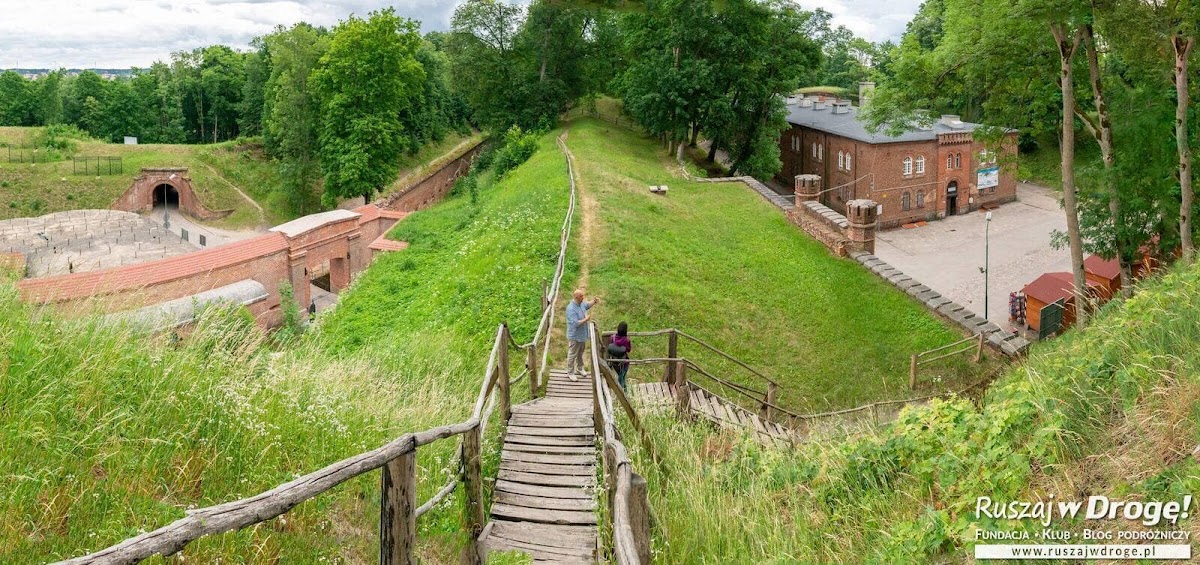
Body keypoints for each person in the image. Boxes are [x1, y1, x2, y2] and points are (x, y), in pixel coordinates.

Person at [565, 289, 600, 381]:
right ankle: (570, 372)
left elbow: (587, 305)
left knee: (580, 352)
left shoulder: (581, 303)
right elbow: (575, 323)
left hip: (582, 335)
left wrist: (594, 301)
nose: (583, 297)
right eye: (581, 296)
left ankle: (580, 368)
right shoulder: (571, 309)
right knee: (572, 354)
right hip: (575, 336)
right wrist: (586, 319)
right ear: (576, 297)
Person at [607, 321, 632, 390]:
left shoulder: (613, 337)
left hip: (614, 362)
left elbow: (611, 346)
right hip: (624, 363)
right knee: (622, 378)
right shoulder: (627, 340)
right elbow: (629, 350)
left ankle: (623, 389)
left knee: (621, 377)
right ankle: (623, 392)